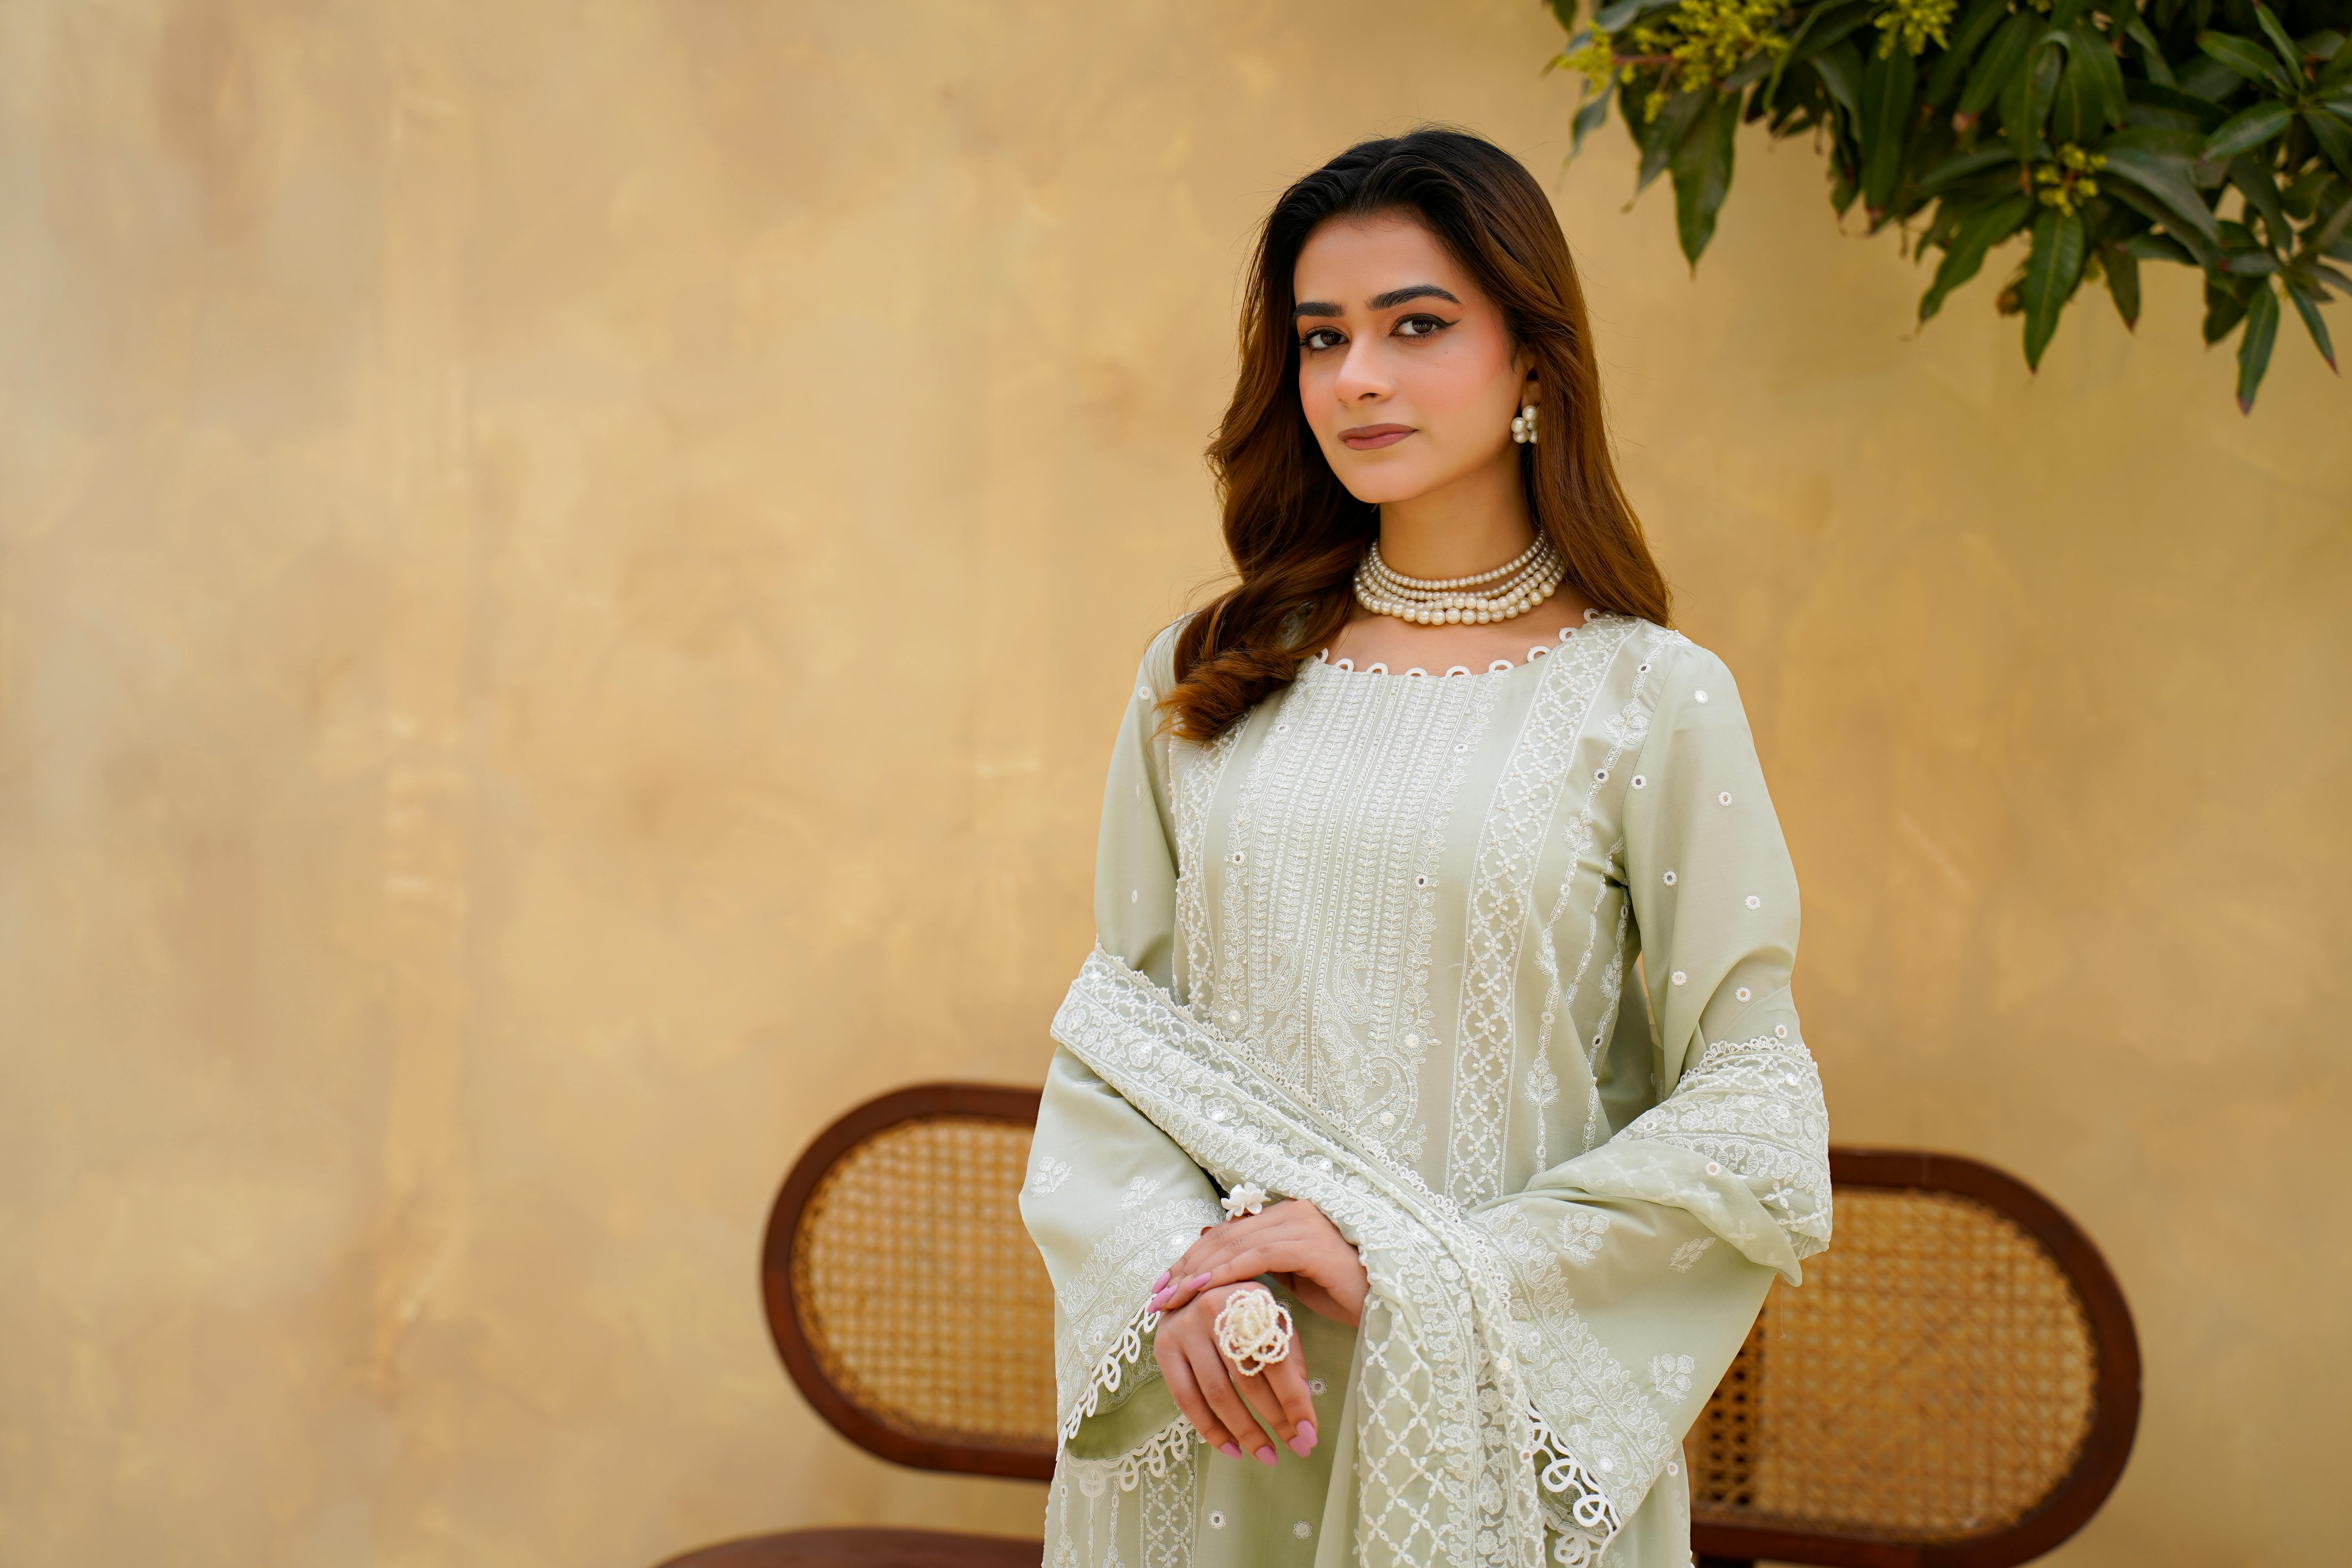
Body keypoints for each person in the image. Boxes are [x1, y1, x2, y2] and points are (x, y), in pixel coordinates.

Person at [1018, 127, 1829, 1568]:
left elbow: (1750, 1117)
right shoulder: (1207, 675)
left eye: (1417, 326)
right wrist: (1184, 1292)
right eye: (1323, 338)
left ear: (1533, 361)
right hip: (1214, 1415)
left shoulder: (1648, 697)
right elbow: (1118, 1052)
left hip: (1493, 1427)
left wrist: (1405, 1272)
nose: (1359, 378)